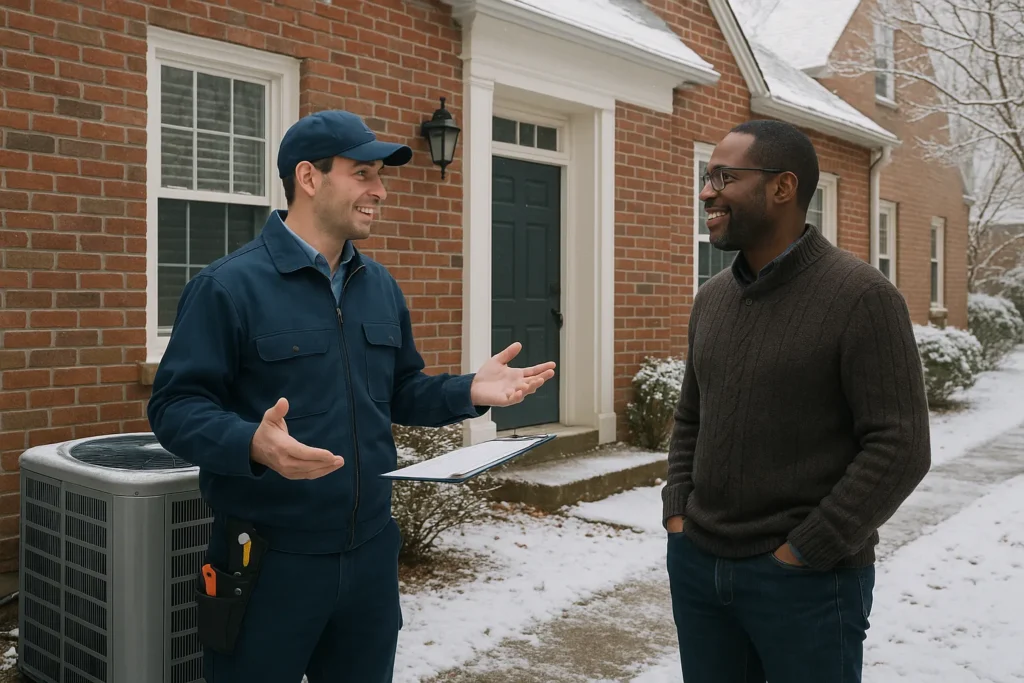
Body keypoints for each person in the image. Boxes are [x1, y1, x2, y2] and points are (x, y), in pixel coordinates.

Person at [147, 110, 556, 683]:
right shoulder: (227, 287)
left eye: (379, 177)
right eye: (363, 173)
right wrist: (252, 444)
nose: (380, 191)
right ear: (309, 178)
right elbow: (173, 406)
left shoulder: (378, 286)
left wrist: (469, 389)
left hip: (369, 556)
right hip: (268, 561)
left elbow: (400, 392)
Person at [662, 120, 930, 683]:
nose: (706, 191)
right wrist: (679, 510)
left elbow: (900, 446)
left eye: (723, 177)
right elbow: (692, 416)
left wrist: (807, 549)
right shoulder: (711, 299)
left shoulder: (862, 297)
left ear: (783, 188)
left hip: (806, 584)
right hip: (700, 568)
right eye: (707, 176)